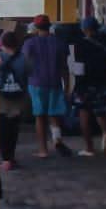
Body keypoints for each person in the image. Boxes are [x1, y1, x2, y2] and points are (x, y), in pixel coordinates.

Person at [21, 15, 69, 158]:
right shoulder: (60, 43)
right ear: (49, 26)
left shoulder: (29, 43)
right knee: (54, 114)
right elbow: (64, 67)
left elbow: (25, 65)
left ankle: (43, 150)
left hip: (36, 83)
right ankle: (57, 140)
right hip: (55, 82)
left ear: (35, 27)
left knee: (40, 116)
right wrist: (67, 86)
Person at [72, 16, 106, 156]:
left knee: (84, 113)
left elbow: (78, 69)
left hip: (85, 84)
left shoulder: (80, 44)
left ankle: (89, 148)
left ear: (84, 29)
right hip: (105, 83)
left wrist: (77, 86)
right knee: (101, 111)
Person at [0, 31, 29, 170]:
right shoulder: (23, 58)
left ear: (2, 42)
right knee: (13, 129)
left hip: (0, 99)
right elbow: (29, 72)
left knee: (2, 130)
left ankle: (6, 159)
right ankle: (11, 157)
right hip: (18, 97)